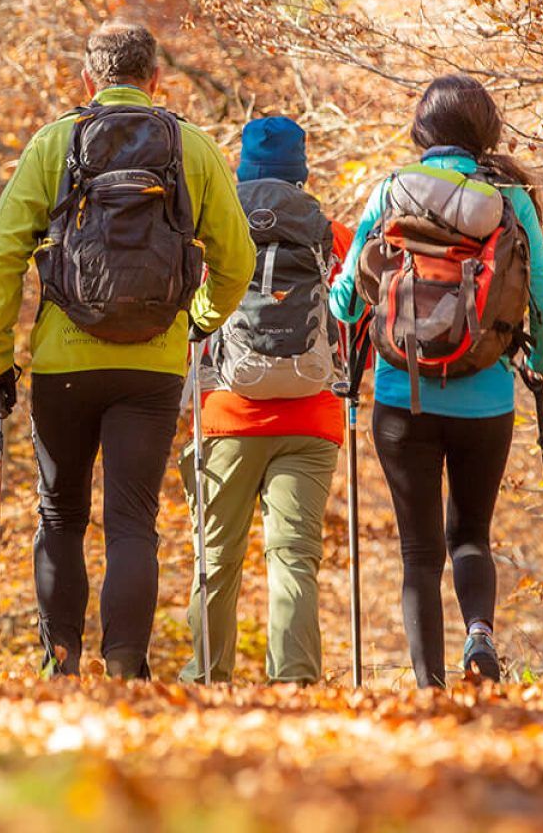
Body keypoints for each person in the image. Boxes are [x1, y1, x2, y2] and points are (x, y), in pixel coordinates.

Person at [0, 21, 255, 679]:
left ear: (88, 80)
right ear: (157, 82)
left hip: (65, 360)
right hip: (150, 363)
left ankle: (61, 664)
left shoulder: (53, 145)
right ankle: (126, 665)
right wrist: (196, 320)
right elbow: (237, 261)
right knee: (133, 519)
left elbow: (1, 258)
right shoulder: (191, 148)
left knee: (60, 512)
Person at [329, 75, 543, 686]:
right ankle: (480, 637)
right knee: (470, 537)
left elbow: (346, 299)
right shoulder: (509, 198)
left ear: (422, 131)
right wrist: (539, 362)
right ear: (485, 132)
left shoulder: (391, 191)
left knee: (418, 554)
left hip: (402, 398)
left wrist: (363, 318)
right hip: (486, 398)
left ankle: (428, 688)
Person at [181, 116, 353, 684]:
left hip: (225, 417)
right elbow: (357, 321)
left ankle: (205, 680)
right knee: (295, 558)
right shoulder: (334, 235)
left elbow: (188, 315)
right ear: (301, 171)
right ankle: (296, 683)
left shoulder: (211, 233)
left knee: (215, 559)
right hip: (312, 420)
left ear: (243, 170)